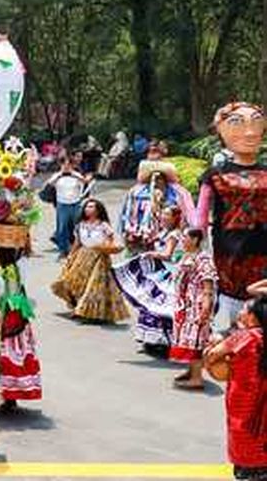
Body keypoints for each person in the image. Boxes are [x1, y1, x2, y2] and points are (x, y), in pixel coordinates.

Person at [195, 102, 267, 330]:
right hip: (229, 251)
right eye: (237, 122)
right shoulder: (214, 175)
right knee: (229, 315)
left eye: (256, 121)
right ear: (221, 129)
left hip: (263, 250)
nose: (249, 131)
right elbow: (200, 216)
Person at [204, 296, 267, 480]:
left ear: (253, 318)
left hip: (245, 407)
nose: (240, 312)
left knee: (247, 450)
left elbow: (214, 355)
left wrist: (211, 353)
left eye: (244, 310)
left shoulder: (244, 337)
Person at [113, 205, 188, 351]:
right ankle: (151, 339)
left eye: (167, 215)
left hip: (169, 273)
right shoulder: (164, 232)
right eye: (163, 214)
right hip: (159, 272)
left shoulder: (174, 235)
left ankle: (165, 340)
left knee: (162, 306)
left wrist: (150, 254)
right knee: (149, 303)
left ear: (175, 218)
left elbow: (167, 255)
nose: (163, 217)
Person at [51, 198, 129, 323]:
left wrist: (106, 248)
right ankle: (79, 308)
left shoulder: (103, 225)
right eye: (87, 207)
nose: (88, 209)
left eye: (92, 207)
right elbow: (77, 243)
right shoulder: (80, 225)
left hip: (99, 258)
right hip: (83, 256)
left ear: (98, 210)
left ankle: (91, 313)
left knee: (93, 287)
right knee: (75, 283)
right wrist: (71, 257)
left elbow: (110, 241)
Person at [0, 246, 42, 408]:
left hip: (8, 319)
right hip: (18, 319)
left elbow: (5, 295)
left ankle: (6, 395)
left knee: (4, 357)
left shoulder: (5, 273)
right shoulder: (16, 269)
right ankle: (10, 396)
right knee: (16, 356)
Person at [170, 228, 217, 389]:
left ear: (195, 240)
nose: (182, 241)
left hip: (197, 304)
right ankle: (191, 371)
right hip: (185, 305)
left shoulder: (203, 258)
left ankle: (197, 378)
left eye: (185, 238)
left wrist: (206, 303)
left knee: (196, 339)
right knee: (188, 339)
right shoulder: (188, 256)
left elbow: (207, 282)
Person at [47, 157, 88, 258]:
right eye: (64, 165)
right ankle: (63, 250)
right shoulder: (57, 176)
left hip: (75, 204)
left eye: (68, 165)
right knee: (62, 228)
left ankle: (80, 248)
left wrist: (74, 175)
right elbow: (50, 183)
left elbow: (85, 182)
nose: (66, 167)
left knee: (78, 227)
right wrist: (60, 174)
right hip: (62, 205)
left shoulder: (76, 175)